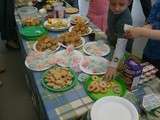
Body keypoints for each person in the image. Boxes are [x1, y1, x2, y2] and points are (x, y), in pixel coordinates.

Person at [125, 1, 160, 77]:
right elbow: (150, 24)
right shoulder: (158, 3)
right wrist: (137, 31)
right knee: (143, 76)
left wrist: (141, 32)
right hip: (149, 52)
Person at [105, 0, 133, 80]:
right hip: (112, 41)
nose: (116, 8)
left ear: (129, 2)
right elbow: (111, 21)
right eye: (113, 4)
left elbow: (121, 46)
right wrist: (109, 30)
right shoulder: (112, 9)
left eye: (121, 4)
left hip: (123, 49)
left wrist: (113, 65)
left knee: (121, 68)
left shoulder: (126, 20)